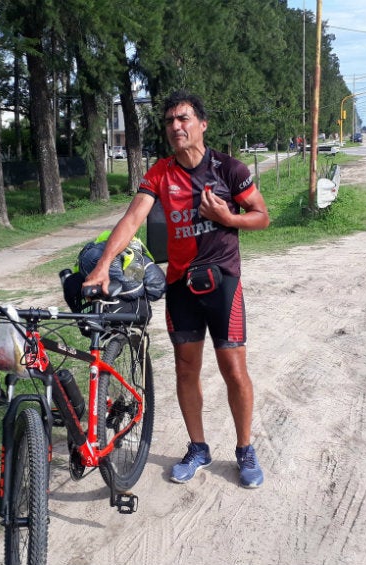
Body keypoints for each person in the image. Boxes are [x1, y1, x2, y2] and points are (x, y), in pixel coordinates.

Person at [83, 90, 270, 488]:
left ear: (202, 124)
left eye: (183, 119)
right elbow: (133, 218)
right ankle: (198, 447)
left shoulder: (229, 169)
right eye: (169, 121)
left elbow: (262, 217)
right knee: (186, 369)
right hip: (181, 287)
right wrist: (102, 266)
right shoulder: (160, 173)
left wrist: (227, 217)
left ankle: (244, 450)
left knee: (233, 370)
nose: (175, 127)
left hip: (223, 284)